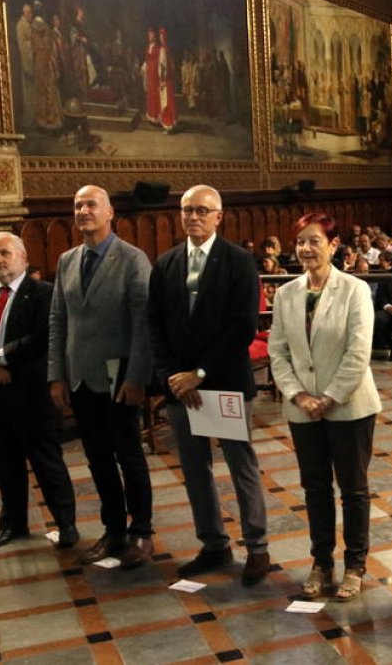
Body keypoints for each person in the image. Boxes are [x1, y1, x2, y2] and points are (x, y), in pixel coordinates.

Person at [147, 184, 271, 586]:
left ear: (219, 216)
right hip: (180, 387)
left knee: (240, 464)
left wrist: (199, 373)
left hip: (223, 382)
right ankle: (213, 544)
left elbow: (241, 327)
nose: (194, 217)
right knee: (194, 468)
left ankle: (257, 546)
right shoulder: (165, 264)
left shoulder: (238, 262)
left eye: (202, 210)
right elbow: (155, 325)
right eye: (187, 210)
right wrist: (172, 375)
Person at [268, 212, 381, 601]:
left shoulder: (354, 290)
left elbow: (358, 351)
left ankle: (355, 564)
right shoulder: (286, 294)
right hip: (303, 409)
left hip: (349, 406)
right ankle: (321, 561)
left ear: (334, 245)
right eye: (300, 241)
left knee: (353, 489)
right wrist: (299, 396)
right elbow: (277, 352)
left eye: (314, 240)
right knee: (315, 488)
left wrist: (329, 397)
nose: (305, 248)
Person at [49, 185, 154, 569]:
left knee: (129, 456)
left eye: (91, 204)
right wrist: (56, 375)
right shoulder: (67, 260)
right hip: (80, 376)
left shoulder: (132, 259)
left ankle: (141, 531)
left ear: (110, 213)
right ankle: (114, 530)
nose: (83, 210)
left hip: (119, 376)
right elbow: (58, 320)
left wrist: (138, 376)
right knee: (97, 458)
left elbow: (143, 324)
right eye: (77, 205)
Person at [0, 232, 76, 549]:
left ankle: (66, 525)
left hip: (29, 394)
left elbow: (42, 337)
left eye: (4, 253)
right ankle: (14, 523)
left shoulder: (43, 293)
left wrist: (0, 358)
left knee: (47, 464)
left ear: (22, 257)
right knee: (5, 466)